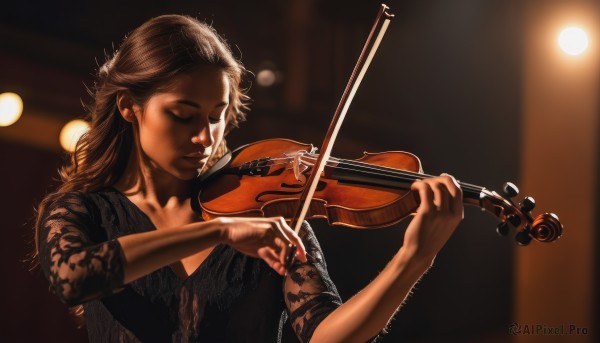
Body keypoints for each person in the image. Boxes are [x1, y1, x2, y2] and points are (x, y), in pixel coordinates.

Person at [34, 14, 463, 343]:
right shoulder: (80, 210)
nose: (206, 137)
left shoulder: (265, 218)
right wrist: (219, 232)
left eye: (217, 117)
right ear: (129, 107)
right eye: (183, 116)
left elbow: (325, 334)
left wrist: (413, 260)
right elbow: (75, 278)